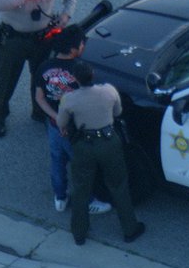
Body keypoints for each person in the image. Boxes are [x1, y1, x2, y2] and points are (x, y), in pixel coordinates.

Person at [0, 0, 77, 138]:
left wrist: (66, 14)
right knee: (6, 79)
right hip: (14, 39)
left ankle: (40, 112)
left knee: (42, 76)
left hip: (42, 37)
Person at [56, 61, 145, 246]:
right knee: (119, 185)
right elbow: (118, 111)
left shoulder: (69, 99)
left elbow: (61, 123)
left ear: (75, 79)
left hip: (84, 144)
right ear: (93, 75)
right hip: (108, 141)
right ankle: (130, 228)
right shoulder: (109, 91)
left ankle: (79, 233)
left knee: (81, 188)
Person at [34, 25, 112, 216]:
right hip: (74, 128)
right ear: (73, 49)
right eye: (81, 43)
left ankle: (60, 197)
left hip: (53, 126)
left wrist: (56, 118)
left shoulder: (44, 66)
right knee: (81, 165)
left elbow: (39, 97)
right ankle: (89, 200)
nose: (83, 46)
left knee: (57, 160)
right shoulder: (79, 70)